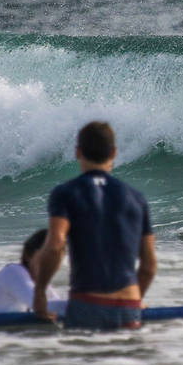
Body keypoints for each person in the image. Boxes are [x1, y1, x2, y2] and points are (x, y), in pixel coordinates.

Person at [33, 121, 157, 330]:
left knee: (86, 362)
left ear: (77, 152)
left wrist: (39, 292)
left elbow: (55, 246)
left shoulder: (66, 193)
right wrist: (136, 299)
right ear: (114, 152)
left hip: (88, 303)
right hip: (128, 305)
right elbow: (148, 266)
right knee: (125, 362)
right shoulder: (137, 198)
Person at [0, 229, 66, 315]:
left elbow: (58, 308)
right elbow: (39, 305)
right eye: (47, 256)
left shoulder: (42, 286)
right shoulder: (12, 272)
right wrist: (79, 304)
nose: (51, 262)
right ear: (28, 255)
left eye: (57, 258)